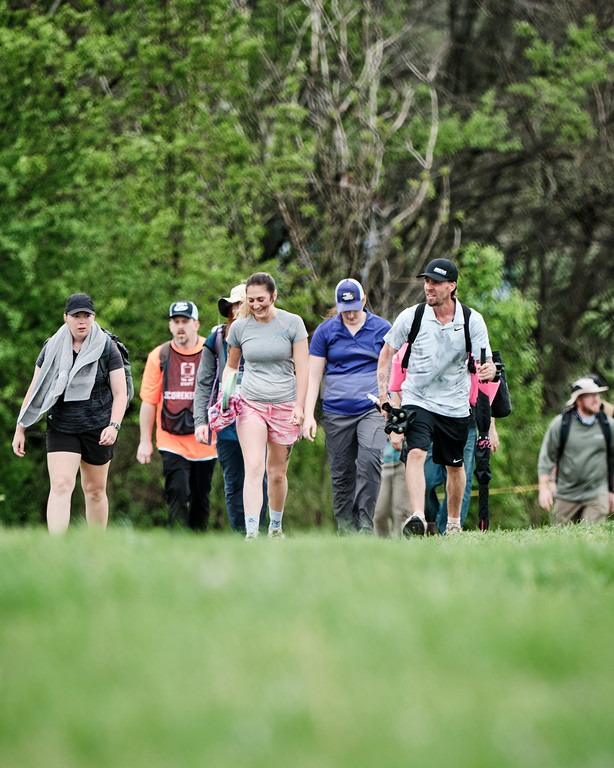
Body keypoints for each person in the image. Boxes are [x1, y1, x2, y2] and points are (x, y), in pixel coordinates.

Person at [377, 258, 497, 536]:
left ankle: (453, 523)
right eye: (426, 281)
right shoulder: (412, 316)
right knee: (415, 452)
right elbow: (386, 355)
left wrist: (488, 369)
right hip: (417, 398)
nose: (428, 287)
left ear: (452, 286)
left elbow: (485, 362)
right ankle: (417, 515)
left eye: (436, 282)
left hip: (455, 405)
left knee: (454, 467)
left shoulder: (471, 320)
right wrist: (385, 397)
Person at [12, 293, 128, 533]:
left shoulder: (107, 347)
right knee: (61, 485)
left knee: (95, 490)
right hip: (62, 426)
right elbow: (35, 389)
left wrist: (113, 425)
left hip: (98, 427)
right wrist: (20, 428)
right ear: (66, 318)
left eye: (87, 316)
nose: (82, 321)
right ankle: (58, 549)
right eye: (76, 316)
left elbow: (120, 393)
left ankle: (96, 545)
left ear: (93, 317)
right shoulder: (51, 347)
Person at [223, 272, 308, 539]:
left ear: (274, 296)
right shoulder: (240, 327)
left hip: (284, 403)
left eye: (261, 299)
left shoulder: (292, 324)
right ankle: (251, 533)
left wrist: (300, 406)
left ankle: (275, 527)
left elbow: (303, 369)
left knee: (277, 474)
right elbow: (231, 366)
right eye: (251, 300)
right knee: (254, 467)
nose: (256, 305)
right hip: (251, 403)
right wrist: (225, 398)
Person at [303, 278, 391, 533]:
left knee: (370, 460)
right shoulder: (325, 332)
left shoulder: (382, 328)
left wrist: (393, 403)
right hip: (336, 412)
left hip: (371, 410)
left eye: (354, 307)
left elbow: (394, 369)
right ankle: (346, 529)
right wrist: (309, 415)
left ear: (364, 301)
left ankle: (365, 527)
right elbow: (314, 375)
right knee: (341, 473)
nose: (350, 314)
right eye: (345, 309)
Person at [193, 283, 268, 533]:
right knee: (234, 482)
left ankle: (260, 532)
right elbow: (203, 382)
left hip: (260, 416)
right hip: (227, 422)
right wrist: (200, 422)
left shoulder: (268, 336)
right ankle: (241, 535)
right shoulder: (216, 338)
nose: (238, 309)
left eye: (242, 304)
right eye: (234, 305)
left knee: (260, 479)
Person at [137, 300, 217, 530]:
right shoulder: (159, 355)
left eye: (185, 321)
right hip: (170, 438)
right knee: (177, 492)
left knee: (201, 499)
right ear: (170, 326)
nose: (180, 326)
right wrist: (144, 441)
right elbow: (149, 401)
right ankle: (177, 541)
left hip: (205, 440)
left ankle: (198, 546)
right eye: (176, 322)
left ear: (197, 324)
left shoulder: (210, 351)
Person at [538, 377, 614, 524]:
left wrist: (611, 491)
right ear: (578, 400)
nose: (596, 399)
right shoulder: (560, 425)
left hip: (597, 494)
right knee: (562, 542)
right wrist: (544, 488)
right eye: (591, 396)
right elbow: (547, 458)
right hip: (566, 494)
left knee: (591, 538)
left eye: (597, 395)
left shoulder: (608, 425)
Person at [424, 417, 499, 533]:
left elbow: (487, 398)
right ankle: (430, 520)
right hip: (431, 421)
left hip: (466, 423)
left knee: (460, 482)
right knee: (426, 479)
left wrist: (490, 427)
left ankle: (448, 531)